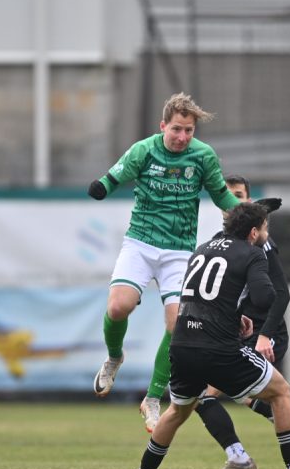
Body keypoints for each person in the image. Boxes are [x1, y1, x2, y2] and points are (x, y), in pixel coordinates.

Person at [128, 202, 290, 469]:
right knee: (281, 391)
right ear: (254, 232)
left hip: (182, 344)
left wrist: (234, 317)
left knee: (178, 411)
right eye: (266, 228)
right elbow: (265, 298)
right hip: (218, 349)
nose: (266, 233)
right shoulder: (253, 253)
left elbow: (203, 298)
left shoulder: (202, 249)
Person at [88, 92, 240, 432]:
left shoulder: (203, 156)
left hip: (180, 251)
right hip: (140, 243)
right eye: (176, 129)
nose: (183, 137)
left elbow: (220, 194)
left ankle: (153, 398)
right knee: (118, 308)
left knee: (178, 325)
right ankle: (115, 357)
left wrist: (246, 213)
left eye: (189, 130)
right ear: (163, 126)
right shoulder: (144, 150)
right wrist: (101, 187)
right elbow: (114, 176)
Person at [194, 175, 290, 469]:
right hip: (238, 334)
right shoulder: (226, 239)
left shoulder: (260, 240)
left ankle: (240, 457)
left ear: (249, 201)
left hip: (262, 334)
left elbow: (280, 293)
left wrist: (264, 335)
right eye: (227, 196)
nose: (233, 201)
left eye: (240, 196)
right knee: (256, 399)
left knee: (201, 393)